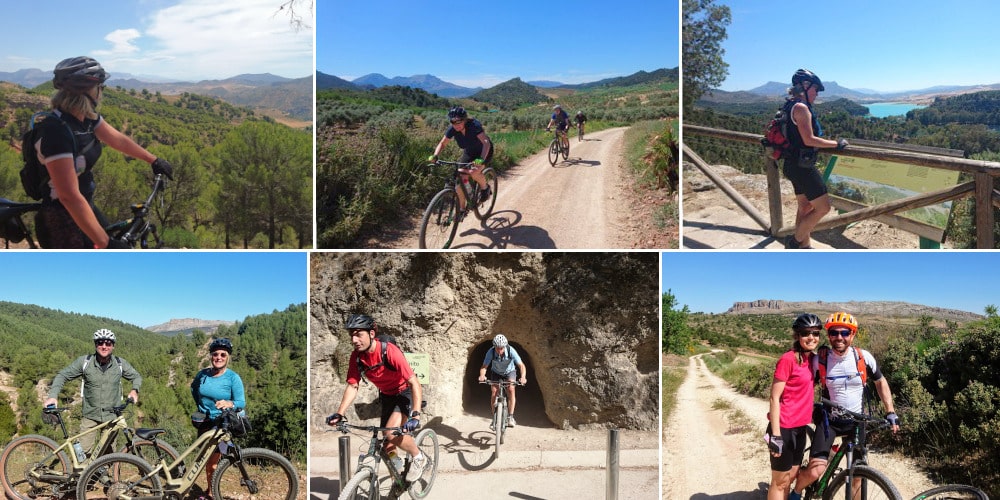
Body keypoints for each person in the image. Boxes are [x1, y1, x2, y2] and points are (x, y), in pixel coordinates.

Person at [32, 56, 173, 249]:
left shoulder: (86, 119)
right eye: (101, 87)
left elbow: (117, 139)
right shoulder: (56, 131)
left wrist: (153, 159)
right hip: (62, 217)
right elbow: (68, 195)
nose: (102, 92)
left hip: (85, 204)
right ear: (88, 90)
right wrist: (105, 243)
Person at [790, 311, 900, 500]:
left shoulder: (863, 358)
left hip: (857, 422)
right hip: (829, 421)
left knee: (857, 475)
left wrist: (890, 411)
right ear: (829, 335)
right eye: (834, 333)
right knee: (816, 470)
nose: (839, 337)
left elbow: (881, 382)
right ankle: (796, 491)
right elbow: (802, 384)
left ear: (852, 335)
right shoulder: (820, 360)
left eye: (844, 333)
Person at [326, 314, 428, 482]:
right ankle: (399, 478)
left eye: (359, 334)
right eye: (352, 334)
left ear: (371, 334)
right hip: (387, 396)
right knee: (387, 446)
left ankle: (419, 457)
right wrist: (340, 413)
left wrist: (415, 415)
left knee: (390, 432)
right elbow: (353, 385)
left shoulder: (389, 351)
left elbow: (414, 383)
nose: (354, 339)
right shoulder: (357, 357)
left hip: (404, 393)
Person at [44, 328, 142, 455]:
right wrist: (53, 396)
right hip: (90, 415)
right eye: (100, 342)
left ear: (113, 346)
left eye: (108, 343)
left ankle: (104, 475)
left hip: (112, 417)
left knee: (108, 453)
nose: (104, 346)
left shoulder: (120, 364)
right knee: (83, 452)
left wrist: (134, 390)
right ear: (96, 344)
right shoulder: (85, 362)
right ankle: (81, 474)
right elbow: (62, 375)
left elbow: (136, 376)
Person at [780, 69, 848, 249]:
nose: (817, 94)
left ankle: (805, 246)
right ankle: (795, 242)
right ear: (804, 86)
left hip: (791, 164)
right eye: (815, 89)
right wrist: (836, 144)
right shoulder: (802, 108)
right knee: (823, 208)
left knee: (805, 207)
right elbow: (809, 139)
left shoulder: (790, 105)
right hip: (803, 167)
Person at [765, 314, 821, 500]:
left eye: (815, 333)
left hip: (800, 428)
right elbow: (774, 398)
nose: (811, 337)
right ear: (797, 336)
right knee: (780, 482)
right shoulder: (788, 359)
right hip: (783, 428)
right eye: (806, 333)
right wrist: (776, 435)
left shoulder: (812, 360)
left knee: (790, 478)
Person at [190, 337, 246, 500]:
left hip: (221, 424)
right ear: (211, 356)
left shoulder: (232, 378)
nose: (219, 357)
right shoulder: (203, 374)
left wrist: (229, 403)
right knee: (205, 460)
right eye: (215, 354)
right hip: (204, 423)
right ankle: (210, 489)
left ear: (228, 357)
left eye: (223, 354)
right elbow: (194, 388)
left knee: (212, 461)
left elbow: (241, 402)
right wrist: (201, 405)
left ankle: (211, 494)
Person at [429, 106, 493, 211]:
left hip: (484, 151)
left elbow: (486, 142)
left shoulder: (474, 125)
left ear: (464, 119)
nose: (456, 125)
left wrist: (481, 159)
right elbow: (442, 143)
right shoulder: (452, 129)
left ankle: (485, 189)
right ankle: (462, 209)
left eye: (458, 122)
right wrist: (435, 155)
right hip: (469, 152)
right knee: (460, 179)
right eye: (452, 122)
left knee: (474, 171)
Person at [477, 334, 527, 428]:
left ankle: (510, 417)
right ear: (494, 346)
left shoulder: (511, 350)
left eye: (501, 348)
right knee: (494, 392)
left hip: (509, 372)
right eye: (497, 348)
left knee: (511, 389)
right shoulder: (491, 352)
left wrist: (523, 377)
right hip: (496, 372)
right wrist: (482, 375)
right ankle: (495, 418)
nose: (499, 350)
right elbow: (484, 366)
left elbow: (521, 365)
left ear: (505, 346)